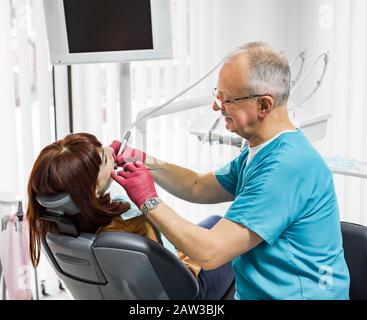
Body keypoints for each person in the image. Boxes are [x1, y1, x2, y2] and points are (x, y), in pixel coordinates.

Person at [111, 41, 350, 300]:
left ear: (264, 106)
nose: (216, 106)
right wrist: (145, 161)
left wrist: (148, 200)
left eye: (227, 99)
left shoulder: (285, 168)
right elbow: (198, 186)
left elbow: (210, 254)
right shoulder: (262, 149)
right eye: (218, 94)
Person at [26, 132, 234, 300]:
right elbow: (176, 270)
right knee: (227, 233)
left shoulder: (54, 226)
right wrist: (148, 202)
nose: (110, 149)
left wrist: (144, 160)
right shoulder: (133, 221)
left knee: (212, 222)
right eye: (105, 157)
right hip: (188, 290)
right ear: (91, 191)